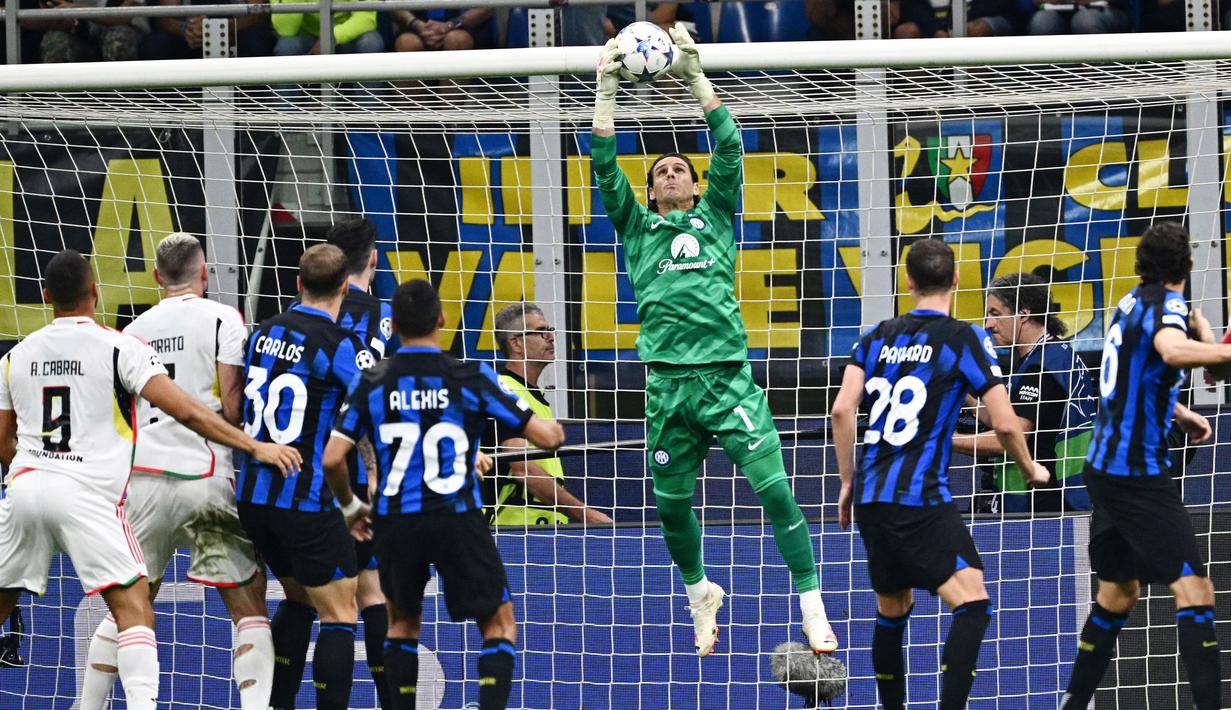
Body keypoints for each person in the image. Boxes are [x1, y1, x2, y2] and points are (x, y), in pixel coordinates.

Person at [592, 24, 835, 656]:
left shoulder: (717, 215)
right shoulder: (637, 228)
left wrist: (695, 76)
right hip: (668, 387)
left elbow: (728, 144)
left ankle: (811, 600)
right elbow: (601, 159)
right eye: (661, 170)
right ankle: (700, 592)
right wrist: (605, 86)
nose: (672, 172)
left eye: (681, 169)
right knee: (671, 509)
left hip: (728, 377)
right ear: (649, 192)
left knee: (777, 491)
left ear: (696, 186)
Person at [0, 250, 299, 710]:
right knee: (228, 607)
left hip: (109, 485)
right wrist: (254, 447)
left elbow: (6, 439)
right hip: (199, 477)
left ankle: (88, 704)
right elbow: (205, 409)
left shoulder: (31, 352)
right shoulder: (171, 333)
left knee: (117, 608)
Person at [321, 279, 566, 710]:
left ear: (393, 325)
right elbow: (546, 437)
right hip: (458, 516)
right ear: (442, 320)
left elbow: (332, 458)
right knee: (499, 625)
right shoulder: (470, 375)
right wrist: (551, 432)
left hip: (397, 519)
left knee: (401, 626)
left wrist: (350, 505)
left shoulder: (372, 380)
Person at [831, 238, 1049, 710]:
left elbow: (842, 411)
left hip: (871, 494)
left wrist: (848, 481)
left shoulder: (874, 337)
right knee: (973, 604)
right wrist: (1030, 465)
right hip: (919, 496)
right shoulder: (961, 338)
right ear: (955, 280)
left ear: (907, 281)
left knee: (893, 608)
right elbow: (1008, 422)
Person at [79, 233, 274, 710]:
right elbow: (231, 406)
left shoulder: (132, 331)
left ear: (155, 277)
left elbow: (119, 415)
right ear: (204, 273)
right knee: (247, 604)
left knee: (131, 607)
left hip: (144, 479)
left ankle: (88, 706)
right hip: (206, 476)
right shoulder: (224, 318)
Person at [1060, 222, 1229, 710]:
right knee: (1195, 590)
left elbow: (1133, 377)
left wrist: (1181, 410)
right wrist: (1218, 348)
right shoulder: (1171, 307)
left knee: (1117, 593)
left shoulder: (1128, 304)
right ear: (1190, 266)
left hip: (1104, 467)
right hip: (1138, 474)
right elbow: (1173, 351)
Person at [234, 244, 370, 710]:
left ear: (297, 283)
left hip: (253, 495)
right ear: (345, 289)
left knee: (299, 600)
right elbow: (371, 405)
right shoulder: (337, 344)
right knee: (340, 615)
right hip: (304, 499)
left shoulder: (262, 332)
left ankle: (278, 705)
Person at [269, 219, 395, 710]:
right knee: (368, 595)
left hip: (290, 479)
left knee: (303, 598)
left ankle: (278, 702)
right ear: (373, 261)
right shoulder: (387, 317)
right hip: (357, 478)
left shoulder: (289, 321)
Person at [954, 272, 1096, 513]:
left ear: (1024, 314)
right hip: (1059, 500)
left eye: (995, 314)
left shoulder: (1041, 367)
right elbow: (1005, 420)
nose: (987, 324)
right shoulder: (1053, 355)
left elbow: (1010, 437)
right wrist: (964, 396)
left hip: (1044, 506)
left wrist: (943, 439)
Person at [486, 303, 612, 526]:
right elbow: (523, 468)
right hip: (512, 534)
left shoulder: (533, 397)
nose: (551, 337)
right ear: (516, 343)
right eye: (541, 331)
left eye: (550, 329)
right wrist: (585, 514)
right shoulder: (504, 391)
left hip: (540, 532)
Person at [140, 0, 276, 60]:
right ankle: (168, 113)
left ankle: (251, 110)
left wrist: (230, 28)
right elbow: (164, 18)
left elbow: (260, 13)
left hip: (237, 35)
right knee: (155, 45)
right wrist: (185, 30)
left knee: (258, 40)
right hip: (192, 38)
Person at [270, 0, 383, 56]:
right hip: (306, 34)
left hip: (346, 35)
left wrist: (331, 37)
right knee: (287, 45)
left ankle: (369, 102)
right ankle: (287, 103)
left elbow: (367, 18)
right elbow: (286, 30)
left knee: (370, 42)